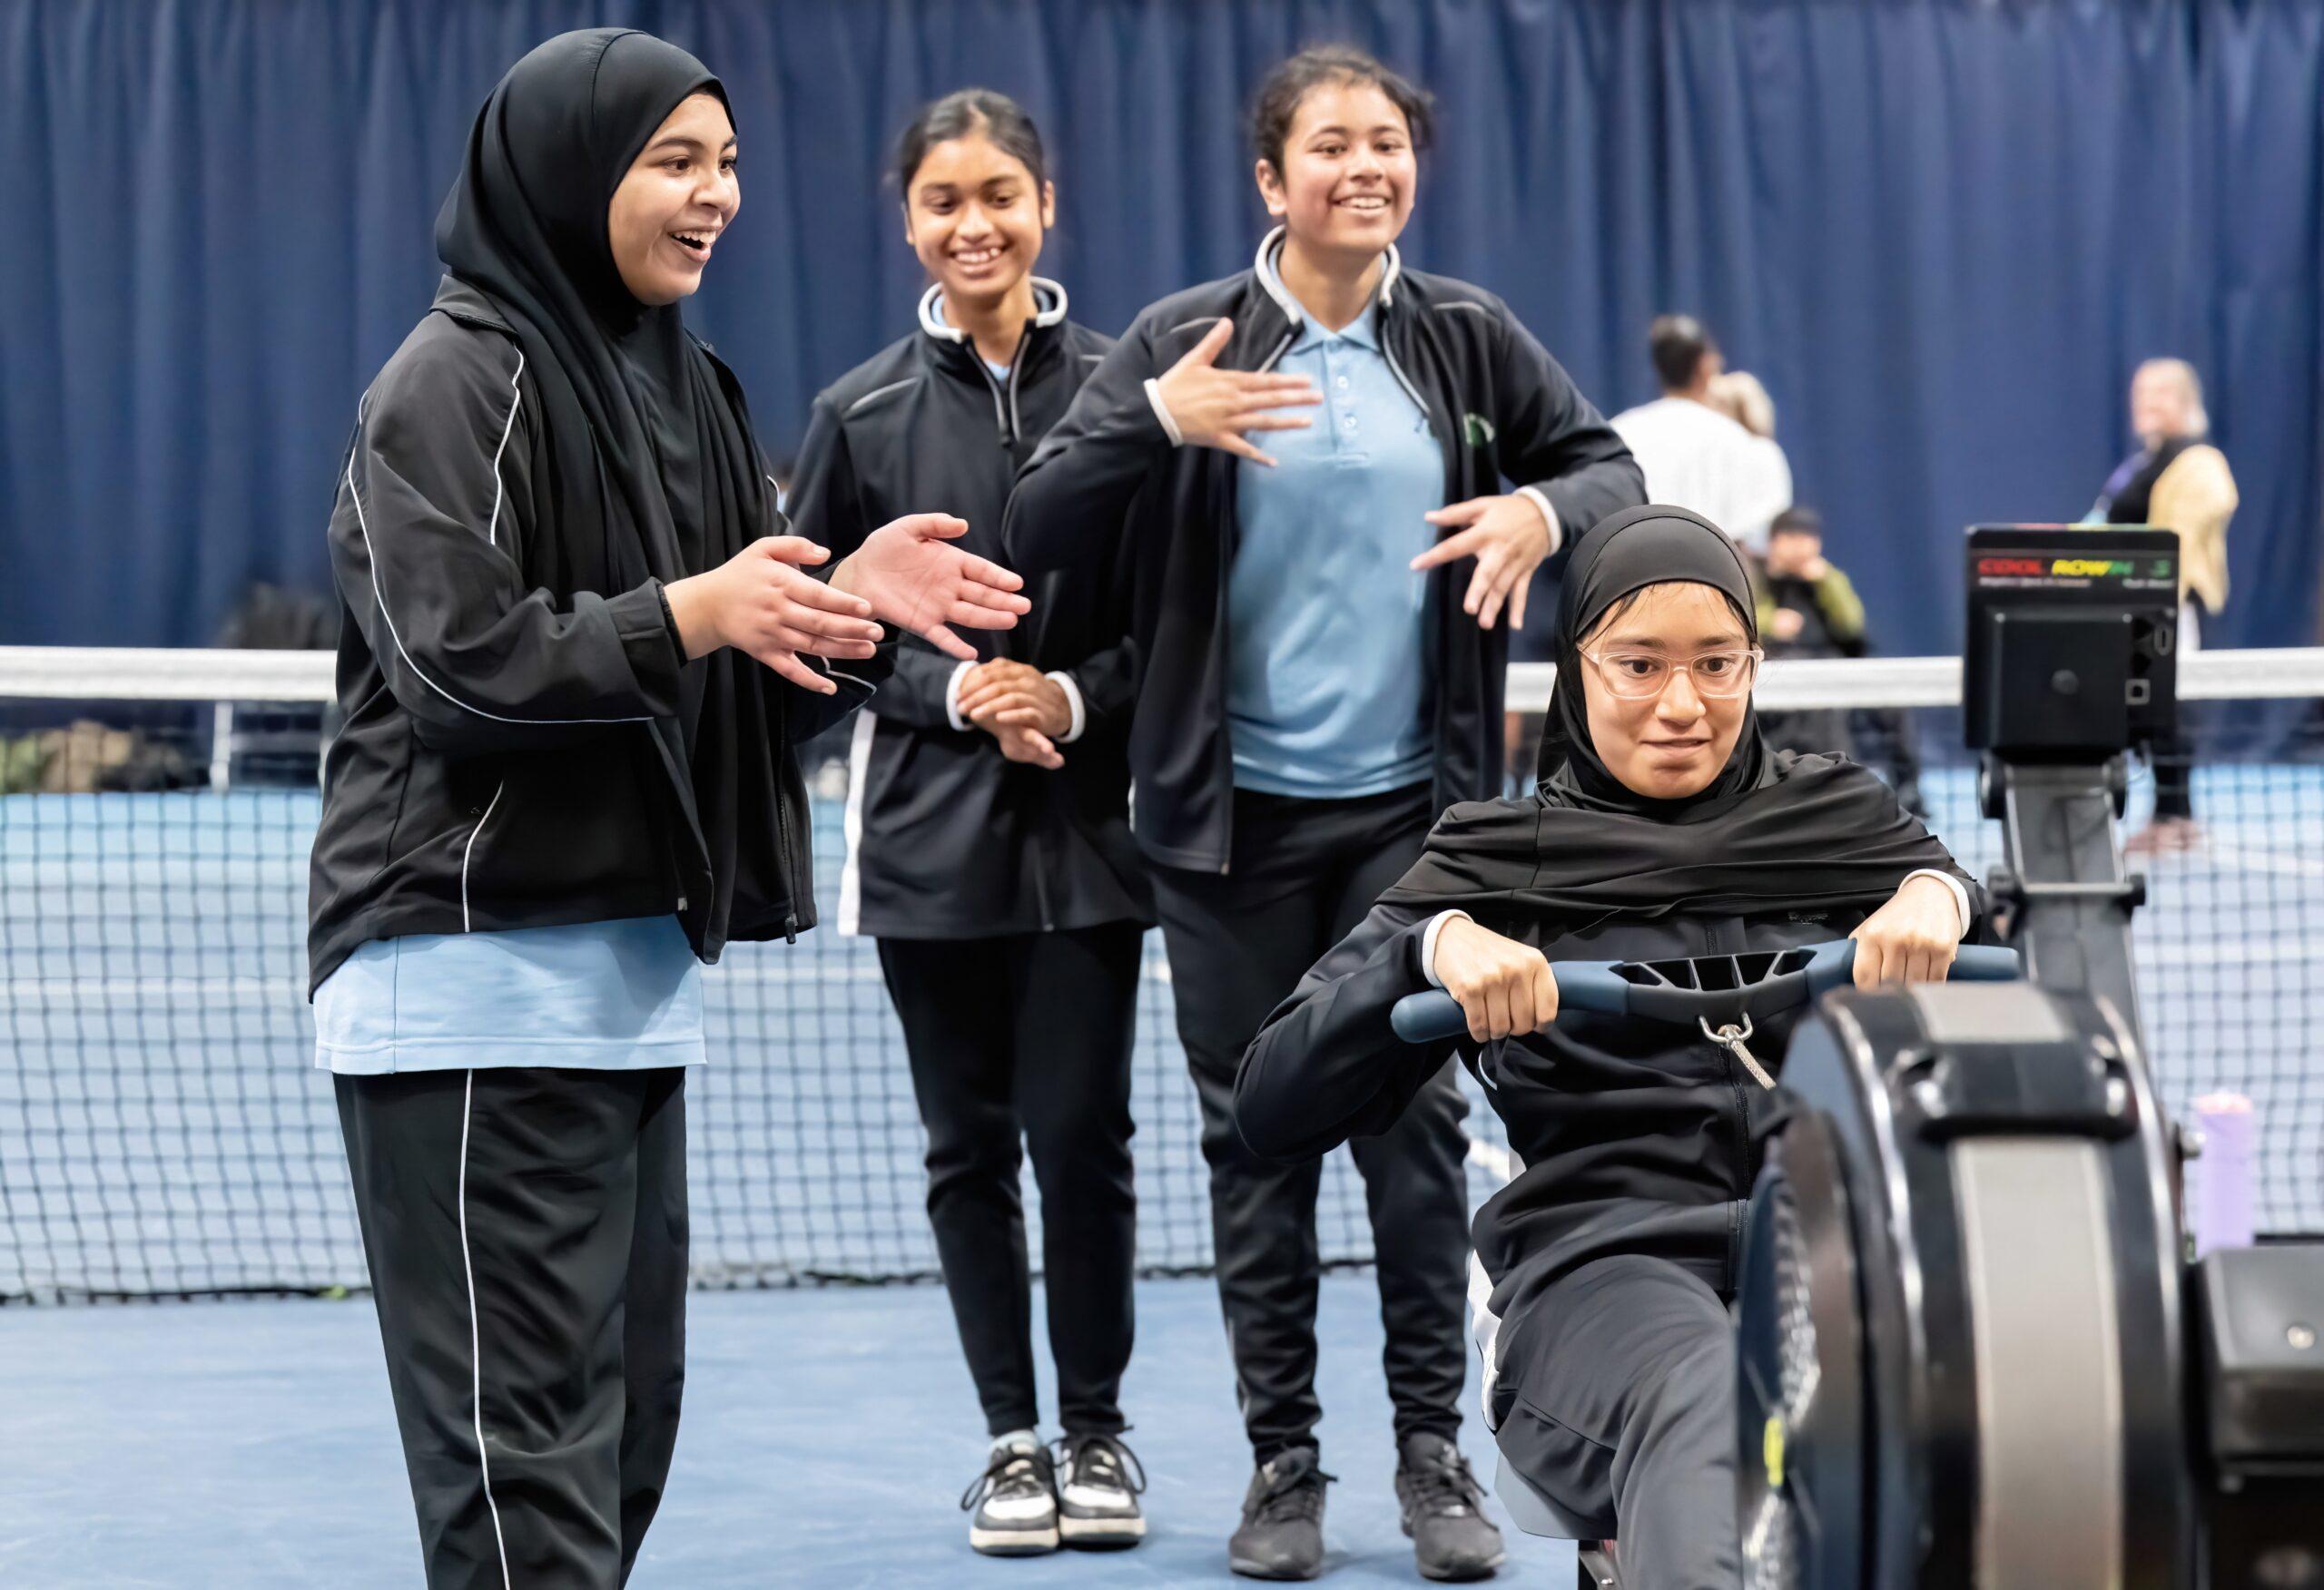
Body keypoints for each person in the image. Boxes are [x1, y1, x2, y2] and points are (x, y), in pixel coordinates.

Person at [306, 32, 1029, 1586]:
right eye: (674, 162)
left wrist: (843, 610)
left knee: (620, 1451)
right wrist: (699, 612)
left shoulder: (692, 390)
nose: (716, 197)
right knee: (526, 1487)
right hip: (467, 995)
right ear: (571, 175)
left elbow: (726, 700)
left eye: (729, 165)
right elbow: (457, 668)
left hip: (631, 1000)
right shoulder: (448, 384)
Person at [1005, 43, 1641, 1584]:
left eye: (1388, 142)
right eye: (1333, 145)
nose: (1367, 166)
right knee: (1258, 1145)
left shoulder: (1467, 339)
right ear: (1271, 179)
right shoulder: (1184, 341)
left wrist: (1542, 510)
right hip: (1223, 833)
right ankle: (1282, 1462)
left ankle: (1434, 1454)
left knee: (1415, 1136)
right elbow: (1036, 523)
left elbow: (1608, 471)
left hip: (1415, 829)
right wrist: (1154, 419)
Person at [1236, 506, 1981, 1590]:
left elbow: (2001, 950)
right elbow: (1270, 1103)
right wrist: (1425, 953)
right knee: (1717, 1395)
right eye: (1638, 665)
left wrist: (1941, 895)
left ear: (1754, 665)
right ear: (1576, 668)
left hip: (1839, 1246)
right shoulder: (1494, 861)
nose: (1682, 705)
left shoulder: (1845, 821)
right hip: (1599, 1273)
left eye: (1716, 664)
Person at [784, 88, 1152, 1558]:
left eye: (1000, 194)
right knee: (968, 1151)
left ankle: (1098, 1429)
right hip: (925, 848)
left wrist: (1066, 696)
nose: (974, 223)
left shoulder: (1127, 390)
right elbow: (821, 623)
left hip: (1092, 841)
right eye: (944, 200)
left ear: (1045, 205)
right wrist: (952, 693)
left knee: (1086, 1141)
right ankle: (1011, 1440)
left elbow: (1175, 621)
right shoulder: (857, 414)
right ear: (910, 222)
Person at [2087, 357, 2238, 853]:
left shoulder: (2198, 461)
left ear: (2186, 401)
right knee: (2142, 714)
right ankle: (2162, 816)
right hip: (2124, 610)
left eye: (2160, 392)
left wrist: (2154, 580)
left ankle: (2176, 816)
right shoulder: (2143, 462)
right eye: (2141, 392)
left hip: (2166, 610)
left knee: (2169, 710)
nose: (2147, 402)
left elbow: (2202, 515)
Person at [1753, 505, 1925, 814]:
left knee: (1895, 699)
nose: (1801, 545)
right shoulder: (1754, 576)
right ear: (1774, 542)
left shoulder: (1828, 577)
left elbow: (1850, 625)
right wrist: (1771, 622)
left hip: (1838, 664)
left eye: (1808, 537)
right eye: (1792, 536)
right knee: (1825, 711)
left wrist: (1826, 582)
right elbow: (1743, 618)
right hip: (1785, 668)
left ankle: (1908, 788)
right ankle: (1838, 792)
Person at [1610, 316, 1792, 553]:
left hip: (1631, 567)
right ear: (1705, 366)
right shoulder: (1737, 440)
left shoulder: (1621, 431)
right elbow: (1761, 535)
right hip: (1715, 570)